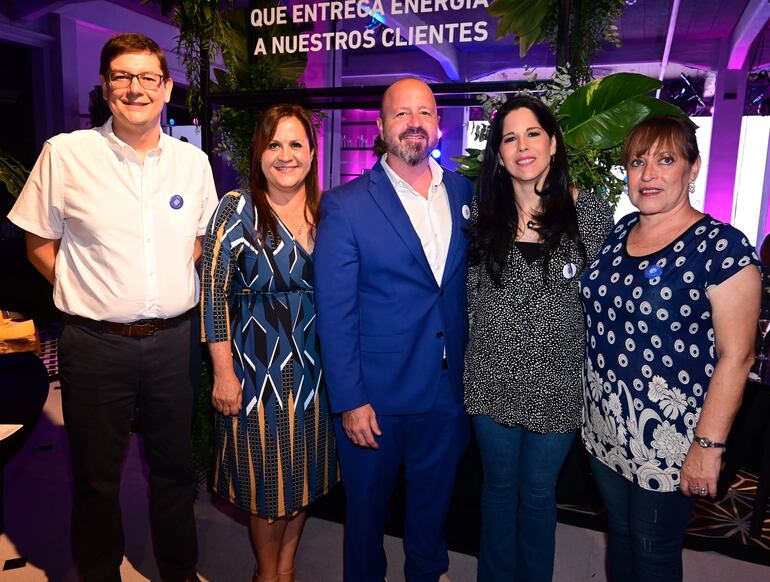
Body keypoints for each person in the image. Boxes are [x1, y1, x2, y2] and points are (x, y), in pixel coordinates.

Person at [7, 33, 217, 581]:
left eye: (148, 77)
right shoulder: (66, 153)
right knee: (97, 478)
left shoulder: (192, 164)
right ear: (105, 87)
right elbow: (37, 243)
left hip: (174, 342)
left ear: (167, 88)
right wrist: (88, 289)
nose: (135, 88)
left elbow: (201, 238)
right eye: (122, 76)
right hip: (95, 346)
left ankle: (177, 570)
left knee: (175, 470)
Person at [580, 116, 760, 581]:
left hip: (673, 438)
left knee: (653, 548)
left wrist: (708, 446)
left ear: (693, 169)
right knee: (619, 534)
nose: (648, 174)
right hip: (605, 426)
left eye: (665, 160)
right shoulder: (618, 233)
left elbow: (737, 356)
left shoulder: (721, 247)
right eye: (637, 162)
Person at [314, 77, 474, 582]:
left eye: (424, 113)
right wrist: (350, 400)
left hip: (448, 391)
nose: (414, 123)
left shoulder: (466, 193)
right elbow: (335, 311)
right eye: (401, 114)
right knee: (365, 516)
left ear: (438, 124)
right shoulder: (345, 204)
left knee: (432, 509)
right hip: (375, 399)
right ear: (381, 127)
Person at [464, 95, 614, 581]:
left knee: (536, 495)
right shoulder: (478, 215)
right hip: (491, 382)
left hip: (559, 387)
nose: (522, 146)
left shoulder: (590, 214)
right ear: (499, 154)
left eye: (532, 134)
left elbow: (605, 305)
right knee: (498, 489)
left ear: (552, 143)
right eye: (510, 138)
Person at [200, 104, 338, 582]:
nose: (285, 155)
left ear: (312, 152)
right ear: (259, 154)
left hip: (315, 373)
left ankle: (286, 570)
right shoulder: (235, 208)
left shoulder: (327, 211)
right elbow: (213, 293)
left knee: (303, 479)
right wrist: (222, 373)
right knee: (266, 486)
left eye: (296, 144)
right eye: (274, 144)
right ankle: (266, 574)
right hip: (254, 373)